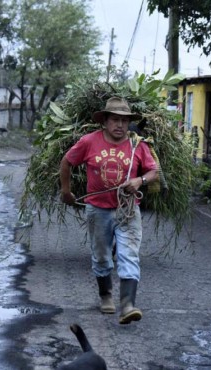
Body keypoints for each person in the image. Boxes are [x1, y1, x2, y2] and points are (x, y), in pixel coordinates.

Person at [59, 97, 158, 325]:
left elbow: (153, 172)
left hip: (128, 210)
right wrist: (66, 191)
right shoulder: (88, 142)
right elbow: (67, 162)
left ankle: (128, 305)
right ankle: (106, 295)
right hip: (98, 210)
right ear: (104, 121)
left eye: (124, 121)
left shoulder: (137, 145)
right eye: (115, 120)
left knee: (128, 255)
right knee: (102, 256)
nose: (120, 125)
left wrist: (139, 180)